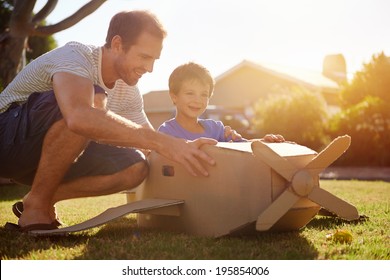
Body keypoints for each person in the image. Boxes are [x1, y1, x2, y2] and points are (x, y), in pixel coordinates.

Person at [0, 11, 218, 232]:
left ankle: (40, 198)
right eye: (144, 57)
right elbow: (79, 116)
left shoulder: (129, 91)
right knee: (91, 103)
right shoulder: (76, 56)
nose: (150, 68)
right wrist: (162, 142)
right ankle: (37, 208)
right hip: (6, 140)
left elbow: (150, 143)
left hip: (42, 161)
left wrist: (183, 148)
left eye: (154, 59)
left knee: (136, 165)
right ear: (117, 44)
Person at [158, 62, 285, 143]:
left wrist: (263, 141)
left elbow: (244, 147)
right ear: (174, 96)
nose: (197, 100)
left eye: (204, 94)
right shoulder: (166, 133)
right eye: (190, 93)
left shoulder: (216, 129)